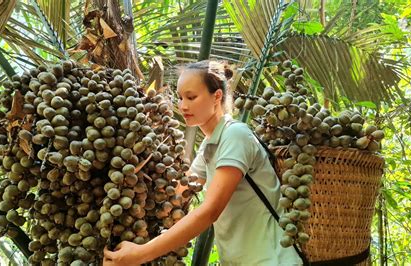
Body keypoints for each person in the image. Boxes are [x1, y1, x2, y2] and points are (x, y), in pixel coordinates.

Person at [103, 60, 303, 266]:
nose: (183, 106)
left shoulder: (235, 135)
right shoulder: (210, 145)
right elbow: (177, 195)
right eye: (180, 98)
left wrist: (141, 254)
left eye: (191, 97)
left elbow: (210, 211)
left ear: (217, 96)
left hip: (273, 260)